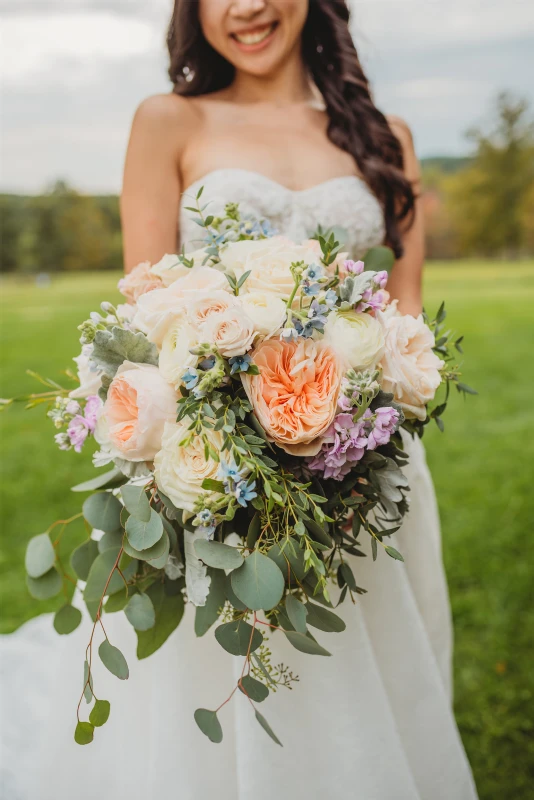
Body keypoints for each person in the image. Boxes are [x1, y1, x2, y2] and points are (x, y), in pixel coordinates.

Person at [0, 2, 478, 798]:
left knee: (369, 667)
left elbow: (407, 307)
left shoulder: (384, 133)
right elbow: (144, 303)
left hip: (361, 455)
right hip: (213, 458)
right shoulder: (167, 120)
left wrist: (363, 406)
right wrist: (219, 430)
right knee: (217, 668)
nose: (246, 7)